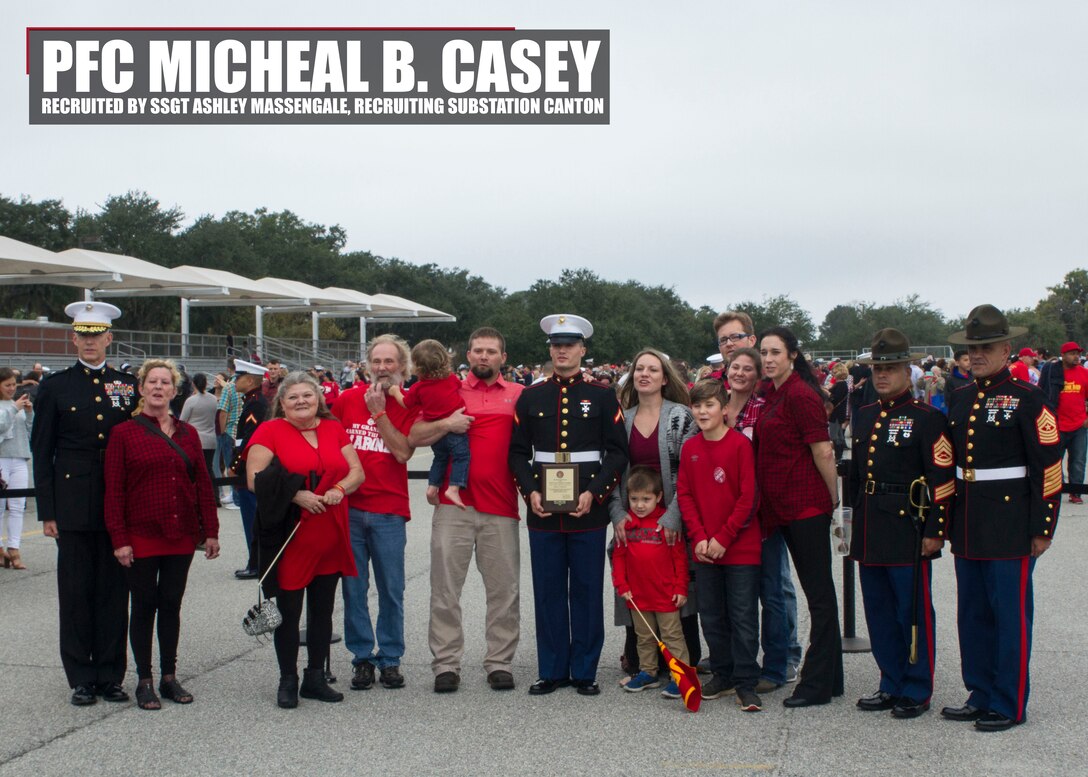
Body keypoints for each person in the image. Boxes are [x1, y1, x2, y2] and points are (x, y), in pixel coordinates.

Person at [942, 304, 1062, 731]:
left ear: (1006, 349)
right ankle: (980, 693)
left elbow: (1048, 466)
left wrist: (1042, 527)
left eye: (985, 347)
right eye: (971, 348)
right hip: (970, 522)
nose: (976, 355)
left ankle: (1008, 703)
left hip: (1010, 525)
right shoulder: (961, 398)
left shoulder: (1028, 399)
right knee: (972, 614)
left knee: (1009, 616)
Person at [509, 314, 628, 696]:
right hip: (543, 509)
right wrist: (530, 492)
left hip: (587, 508)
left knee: (587, 589)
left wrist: (595, 492)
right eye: (556, 344)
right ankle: (552, 669)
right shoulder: (531, 396)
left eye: (569, 344)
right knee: (547, 590)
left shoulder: (602, 396)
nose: (562, 350)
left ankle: (585, 670)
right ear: (550, 349)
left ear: (582, 350)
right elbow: (515, 453)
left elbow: (617, 452)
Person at [31, 301, 139, 706]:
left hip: (116, 503)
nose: (90, 342)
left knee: (114, 593)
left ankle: (111, 675)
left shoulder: (126, 386)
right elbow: (41, 451)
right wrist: (48, 510)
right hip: (73, 503)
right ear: (73, 338)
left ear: (109, 339)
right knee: (76, 593)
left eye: (98, 335)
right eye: (84, 335)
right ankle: (80, 676)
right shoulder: (55, 386)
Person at [407, 327, 524, 693]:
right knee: (444, 589)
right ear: (467, 356)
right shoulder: (449, 389)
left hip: (501, 505)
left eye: (491, 351)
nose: (484, 357)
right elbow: (415, 436)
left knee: (504, 591)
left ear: (503, 357)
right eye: (477, 351)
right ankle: (446, 664)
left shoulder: (520, 395)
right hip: (453, 505)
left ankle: (499, 662)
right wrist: (446, 423)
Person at [847, 330, 955, 719]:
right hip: (871, 523)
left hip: (908, 526)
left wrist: (935, 531)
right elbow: (857, 476)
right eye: (877, 368)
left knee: (911, 611)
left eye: (890, 368)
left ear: (906, 371)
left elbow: (942, 478)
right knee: (877, 610)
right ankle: (890, 681)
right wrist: (850, 521)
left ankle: (916, 687)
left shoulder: (928, 418)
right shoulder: (864, 415)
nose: (882, 376)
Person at [104, 359, 221, 710]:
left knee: (171, 604)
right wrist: (119, 539)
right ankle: (144, 679)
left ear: (174, 390)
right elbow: (114, 491)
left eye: (165, 382)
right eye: (151, 382)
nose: (158, 388)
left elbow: (202, 483)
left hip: (180, 533)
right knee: (143, 606)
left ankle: (169, 676)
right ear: (141, 389)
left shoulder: (188, 434)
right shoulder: (124, 433)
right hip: (141, 533)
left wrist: (210, 531)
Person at [243, 370, 363, 708]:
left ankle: (315, 677)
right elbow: (254, 479)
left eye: (307, 396)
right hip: (291, 533)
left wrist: (340, 489)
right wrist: (297, 495)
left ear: (318, 400)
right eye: (293, 397)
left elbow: (357, 471)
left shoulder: (333, 428)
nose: (301, 401)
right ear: (281, 403)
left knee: (323, 612)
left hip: (330, 530)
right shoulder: (270, 431)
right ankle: (288, 679)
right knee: (289, 611)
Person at [755, 326, 844, 708]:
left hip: (806, 507)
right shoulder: (772, 393)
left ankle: (818, 683)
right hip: (783, 508)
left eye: (776, 352)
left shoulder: (801, 395)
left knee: (819, 595)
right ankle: (833, 676)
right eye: (764, 352)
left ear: (792, 355)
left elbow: (823, 451)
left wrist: (832, 499)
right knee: (817, 593)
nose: (769, 359)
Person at [608, 348, 699, 684]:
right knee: (637, 583)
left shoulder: (681, 417)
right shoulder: (623, 419)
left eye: (652, 370)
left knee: (676, 589)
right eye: (639, 369)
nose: (644, 374)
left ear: (665, 378)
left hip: (672, 519)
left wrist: (673, 518)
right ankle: (644, 663)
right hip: (633, 522)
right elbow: (613, 471)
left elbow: (690, 472)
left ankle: (682, 666)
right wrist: (618, 513)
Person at [333, 334, 418, 691]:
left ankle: (391, 658)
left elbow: (402, 453)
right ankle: (362, 657)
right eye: (377, 361)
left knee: (391, 588)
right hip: (350, 508)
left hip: (388, 509)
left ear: (402, 366)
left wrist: (378, 413)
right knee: (354, 589)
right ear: (367, 365)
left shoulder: (407, 403)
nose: (383, 368)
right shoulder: (344, 400)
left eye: (390, 362)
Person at [678, 379, 763, 711]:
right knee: (711, 615)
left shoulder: (740, 445)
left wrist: (722, 538)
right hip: (704, 548)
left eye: (709, 405)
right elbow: (685, 494)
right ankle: (723, 673)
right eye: (697, 405)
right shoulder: (690, 448)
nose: (702, 411)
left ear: (725, 409)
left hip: (739, 547)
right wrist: (699, 537)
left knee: (742, 615)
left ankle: (746, 681)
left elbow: (748, 498)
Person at [724, 347, 802, 693]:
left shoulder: (764, 409)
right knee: (733, 596)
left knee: (771, 592)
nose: (740, 373)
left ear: (758, 375)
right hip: (722, 513)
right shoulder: (716, 405)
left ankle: (776, 664)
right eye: (734, 367)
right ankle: (737, 663)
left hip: (761, 513)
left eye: (747, 368)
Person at [612, 466, 690, 697]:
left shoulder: (667, 525)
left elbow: (680, 560)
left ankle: (681, 676)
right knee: (644, 637)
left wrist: (680, 588)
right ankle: (648, 672)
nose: (639, 505)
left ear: (658, 497)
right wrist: (622, 586)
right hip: (637, 595)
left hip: (665, 594)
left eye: (646, 499)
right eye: (634, 499)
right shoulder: (626, 525)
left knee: (672, 636)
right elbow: (618, 558)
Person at [391, 338, 470, 509]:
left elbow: (405, 403)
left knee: (440, 458)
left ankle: (433, 487)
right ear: (444, 360)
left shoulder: (418, 388)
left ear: (418, 367)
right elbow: (460, 385)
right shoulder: (450, 379)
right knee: (461, 456)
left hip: (435, 433)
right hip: (455, 430)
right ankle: (454, 487)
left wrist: (396, 391)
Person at [227, 360, 269, 579]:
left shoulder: (255, 404)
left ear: (250, 380)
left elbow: (250, 441)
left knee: (252, 518)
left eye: (238, 377)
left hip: (248, 469)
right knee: (251, 517)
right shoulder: (252, 402)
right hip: (246, 466)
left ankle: (256, 563)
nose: (235, 380)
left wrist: (234, 466)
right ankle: (256, 561)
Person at [0, 367, 34, 569]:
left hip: (20, 456)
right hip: (1, 457)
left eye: (14, 384)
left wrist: (29, 413)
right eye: (7, 385)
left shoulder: (18, 404)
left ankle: (14, 547)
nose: (12, 388)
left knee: (17, 505)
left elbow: (31, 429)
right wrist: (14, 408)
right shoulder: (12, 405)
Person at [1053, 342, 1088, 504]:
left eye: (1078, 353)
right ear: (1064, 355)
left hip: (1079, 426)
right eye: (1072, 353)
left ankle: (1076, 493)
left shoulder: (1084, 373)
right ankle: (1056, 489)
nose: (1076, 357)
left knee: (1078, 461)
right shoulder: (1053, 372)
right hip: (1057, 425)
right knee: (1054, 460)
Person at [181, 373, 221, 508]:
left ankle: (196, 496)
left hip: (195, 438)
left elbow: (182, 420)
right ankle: (215, 496)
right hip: (211, 438)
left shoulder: (191, 400)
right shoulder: (213, 399)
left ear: (193, 383)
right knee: (209, 469)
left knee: (194, 469)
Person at [215, 371, 241, 509]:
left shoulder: (229, 387)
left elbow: (223, 411)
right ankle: (235, 494)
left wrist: (222, 430)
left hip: (230, 431)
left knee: (229, 464)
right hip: (241, 432)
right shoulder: (248, 388)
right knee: (238, 465)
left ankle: (234, 495)